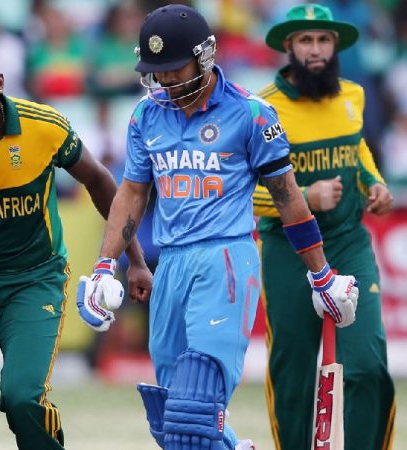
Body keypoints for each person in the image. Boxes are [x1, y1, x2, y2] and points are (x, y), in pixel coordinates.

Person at [75, 5, 359, 450]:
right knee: (173, 422)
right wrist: (104, 265)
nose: (165, 79)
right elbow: (132, 192)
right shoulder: (146, 115)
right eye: (156, 71)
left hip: (225, 261)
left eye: (174, 67)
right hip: (171, 265)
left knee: (194, 406)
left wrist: (321, 275)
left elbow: (286, 196)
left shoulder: (251, 113)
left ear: (204, 56)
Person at [0, 41, 152, 450]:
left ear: (0, 83)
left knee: (23, 396)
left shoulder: (44, 126)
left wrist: (135, 260)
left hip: (34, 279)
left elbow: (99, 181)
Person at [252, 4, 396, 450]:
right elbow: (242, 192)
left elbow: (358, 150)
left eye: (323, 40)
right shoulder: (262, 109)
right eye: (306, 40)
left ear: (335, 46)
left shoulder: (353, 94)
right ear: (289, 46)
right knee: (293, 373)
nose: (315, 50)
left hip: (349, 242)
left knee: (368, 367)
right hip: (288, 249)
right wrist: (306, 197)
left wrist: (374, 183)